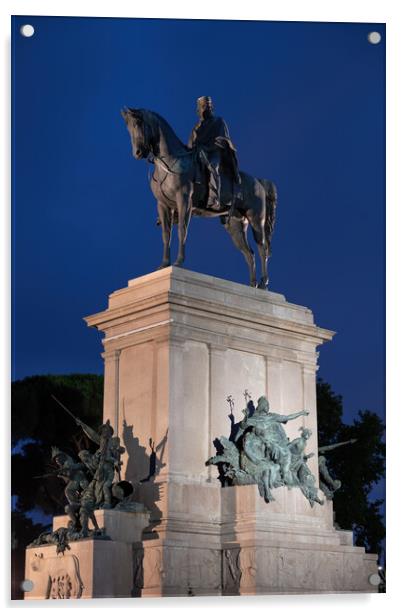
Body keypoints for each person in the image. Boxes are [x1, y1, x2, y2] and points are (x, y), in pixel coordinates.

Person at [188, 96, 240, 209]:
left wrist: (208, 147)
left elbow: (224, 139)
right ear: (198, 110)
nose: (207, 108)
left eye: (209, 106)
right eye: (203, 106)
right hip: (198, 155)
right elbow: (190, 147)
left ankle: (214, 198)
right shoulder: (195, 129)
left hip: (215, 153)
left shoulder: (218, 121)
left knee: (212, 166)